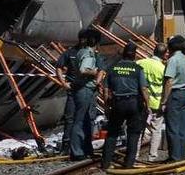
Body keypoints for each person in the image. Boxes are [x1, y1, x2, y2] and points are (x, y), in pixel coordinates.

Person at [100, 42, 149, 170]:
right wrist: (147, 105)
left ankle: (105, 164)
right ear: (134, 55)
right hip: (134, 103)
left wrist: (106, 107)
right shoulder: (138, 69)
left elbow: (105, 90)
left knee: (112, 134)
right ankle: (128, 164)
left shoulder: (113, 68)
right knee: (133, 134)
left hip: (117, 103)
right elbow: (143, 89)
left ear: (123, 54)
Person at [66, 28, 104, 161]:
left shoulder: (81, 52)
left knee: (87, 120)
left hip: (82, 89)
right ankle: (77, 151)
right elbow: (83, 70)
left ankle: (86, 148)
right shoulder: (88, 54)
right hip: (85, 89)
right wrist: (95, 72)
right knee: (80, 120)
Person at [161, 35, 185, 161]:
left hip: (174, 95)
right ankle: (182, 155)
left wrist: (164, 101)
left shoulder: (173, 60)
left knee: (172, 127)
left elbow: (169, 81)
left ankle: (174, 157)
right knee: (183, 127)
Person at [137, 43, 168, 162]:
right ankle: (152, 157)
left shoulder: (140, 63)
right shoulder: (162, 68)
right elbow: (167, 85)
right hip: (156, 104)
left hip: (141, 103)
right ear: (164, 55)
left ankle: (135, 155)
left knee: (139, 129)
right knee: (156, 130)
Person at [55, 34, 85, 155]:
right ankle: (66, 145)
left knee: (85, 118)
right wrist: (63, 82)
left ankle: (81, 144)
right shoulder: (70, 52)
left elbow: (100, 70)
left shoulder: (91, 53)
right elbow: (59, 67)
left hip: (86, 91)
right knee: (69, 117)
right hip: (73, 90)